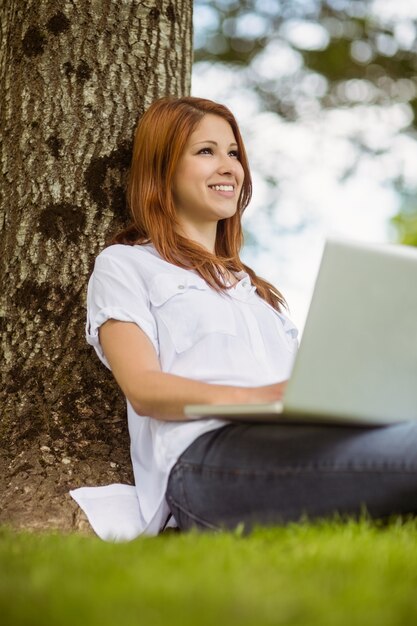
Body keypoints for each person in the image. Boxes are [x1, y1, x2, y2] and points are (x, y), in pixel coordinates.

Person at [70, 96, 417, 541]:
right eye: (205, 151)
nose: (229, 166)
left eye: (233, 153)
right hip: (204, 464)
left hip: (292, 442)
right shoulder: (126, 265)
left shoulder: (258, 293)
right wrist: (261, 396)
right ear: (162, 169)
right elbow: (144, 389)